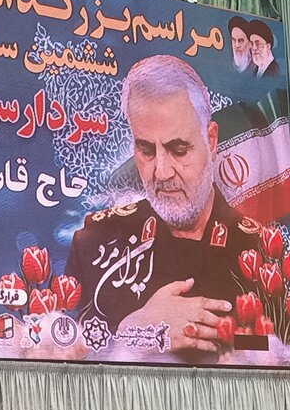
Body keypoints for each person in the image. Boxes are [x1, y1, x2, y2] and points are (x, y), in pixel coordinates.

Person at [65, 55, 261, 354]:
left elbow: (276, 348)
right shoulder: (94, 245)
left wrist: (227, 344)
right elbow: (66, 358)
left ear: (211, 141)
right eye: (146, 150)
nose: (161, 172)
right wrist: (138, 337)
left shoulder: (261, 252)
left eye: (178, 149)